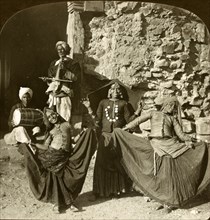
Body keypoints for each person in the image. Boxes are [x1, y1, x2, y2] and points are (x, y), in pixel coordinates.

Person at [110, 96, 210, 213]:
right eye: (171, 105)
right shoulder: (153, 113)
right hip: (155, 144)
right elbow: (138, 121)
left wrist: (192, 140)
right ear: (166, 105)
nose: (172, 108)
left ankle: (170, 202)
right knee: (158, 174)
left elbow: (181, 135)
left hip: (171, 145)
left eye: (174, 106)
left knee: (169, 174)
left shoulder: (173, 119)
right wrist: (126, 127)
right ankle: (161, 200)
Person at [19, 108, 97, 213]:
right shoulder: (50, 131)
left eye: (53, 114)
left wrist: (83, 133)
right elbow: (46, 146)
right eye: (49, 117)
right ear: (48, 120)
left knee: (66, 179)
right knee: (55, 178)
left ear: (56, 113)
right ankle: (61, 203)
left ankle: (66, 202)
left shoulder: (67, 125)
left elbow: (73, 140)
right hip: (51, 156)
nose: (52, 118)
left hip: (64, 157)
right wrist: (33, 144)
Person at [82, 80, 143, 200]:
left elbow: (129, 120)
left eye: (118, 90)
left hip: (118, 136)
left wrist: (138, 111)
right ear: (109, 92)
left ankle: (116, 190)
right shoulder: (103, 102)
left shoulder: (124, 104)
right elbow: (98, 120)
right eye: (113, 90)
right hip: (105, 136)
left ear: (120, 93)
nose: (115, 91)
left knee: (116, 162)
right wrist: (89, 108)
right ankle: (98, 191)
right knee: (101, 162)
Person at [44, 41, 81, 122]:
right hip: (54, 92)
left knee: (64, 114)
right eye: (58, 50)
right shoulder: (54, 63)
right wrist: (48, 80)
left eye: (62, 49)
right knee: (53, 114)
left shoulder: (73, 63)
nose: (60, 51)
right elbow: (50, 76)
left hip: (65, 92)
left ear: (66, 50)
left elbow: (76, 78)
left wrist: (65, 70)